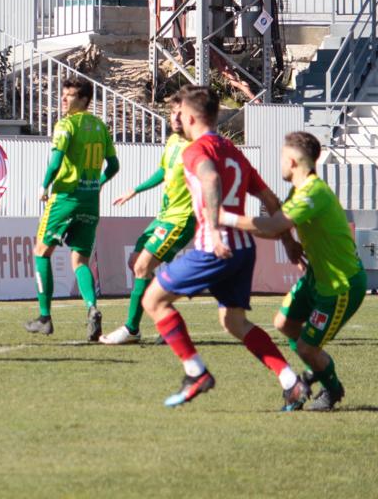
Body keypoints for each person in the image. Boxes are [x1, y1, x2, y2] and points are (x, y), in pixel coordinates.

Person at [141, 86, 311, 409]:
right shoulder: (233, 150)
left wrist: (216, 231)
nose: (177, 117)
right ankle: (291, 383)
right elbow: (270, 199)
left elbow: (210, 181)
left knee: (154, 300)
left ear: (190, 117)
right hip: (245, 249)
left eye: (180, 114)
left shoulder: (195, 151)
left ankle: (196, 373)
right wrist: (288, 242)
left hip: (214, 247)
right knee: (234, 323)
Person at [221, 131, 368, 411]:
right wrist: (289, 244)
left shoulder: (313, 193)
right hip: (317, 278)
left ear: (291, 160)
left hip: (340, 286)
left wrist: (225, 216)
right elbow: (282, 224)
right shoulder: (298, 191)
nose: (280, 163)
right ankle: (316, 367)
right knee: (283, 323)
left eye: (281, 157)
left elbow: (273, 225)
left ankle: (332, 389)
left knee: (306, 348)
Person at [25, 77, 119, 341]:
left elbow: (55, 161)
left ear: (85, 100)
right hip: (90, 200)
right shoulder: (100, 127)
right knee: (80, 261)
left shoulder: (65, 125)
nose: (64, 99)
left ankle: (44, 317)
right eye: (63, 94)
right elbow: (113, 166)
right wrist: (98, 183)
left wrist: (45, 185)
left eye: (71, 95)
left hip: (65, 198)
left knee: (41, 252)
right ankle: (92, 308)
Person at [100, 90, 194, 344]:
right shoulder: (173, 142)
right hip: (164, 216)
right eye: (172, 112)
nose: (174, 117)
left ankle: (132, 329)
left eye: (180, 113)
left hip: (182, 218)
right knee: (135, 262)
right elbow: (163, 171)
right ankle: (168, 318)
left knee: (143, 266)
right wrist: (135, 189)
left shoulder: (199, 146)